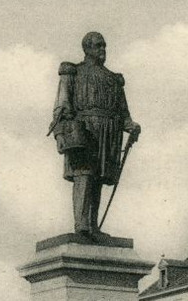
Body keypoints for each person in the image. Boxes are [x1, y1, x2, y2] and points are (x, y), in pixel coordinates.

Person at [49, 32, 141, 237]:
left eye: (104, 46)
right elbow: (62, 107)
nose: (103, 50)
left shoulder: (113, 79)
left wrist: (131, 126)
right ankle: (81, 224)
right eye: (98, 46)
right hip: (83, 131)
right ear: (87, 48)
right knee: (84, 175)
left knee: (98, 178)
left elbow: (122, 111)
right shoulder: (73, 73)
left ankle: (93, 225)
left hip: (108, 134)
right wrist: (60, 134)